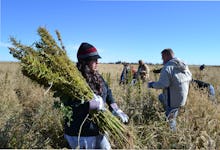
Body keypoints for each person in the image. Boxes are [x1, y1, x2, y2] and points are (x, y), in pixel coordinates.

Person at [57, 42, 129, 149]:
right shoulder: (72, 81)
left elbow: (107, 91)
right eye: (94, 60)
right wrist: (89, 105)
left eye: (97, 59)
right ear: (85, 62)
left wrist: (115, 109)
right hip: (80, 133)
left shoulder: (96, 76)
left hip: (98, 130)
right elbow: (69, 105)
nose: (97, 62)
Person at [148, 48, 192, 131]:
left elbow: (163, 84)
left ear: (167, 55)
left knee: (170, 120)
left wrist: (152, 84)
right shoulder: (183, 66)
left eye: (162, 56)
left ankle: (173, 136)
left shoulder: (167, 67)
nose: (162, 59)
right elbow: (190, 77)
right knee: (161, 97)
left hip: (172, 100)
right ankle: (168, 111)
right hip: (182, 97)